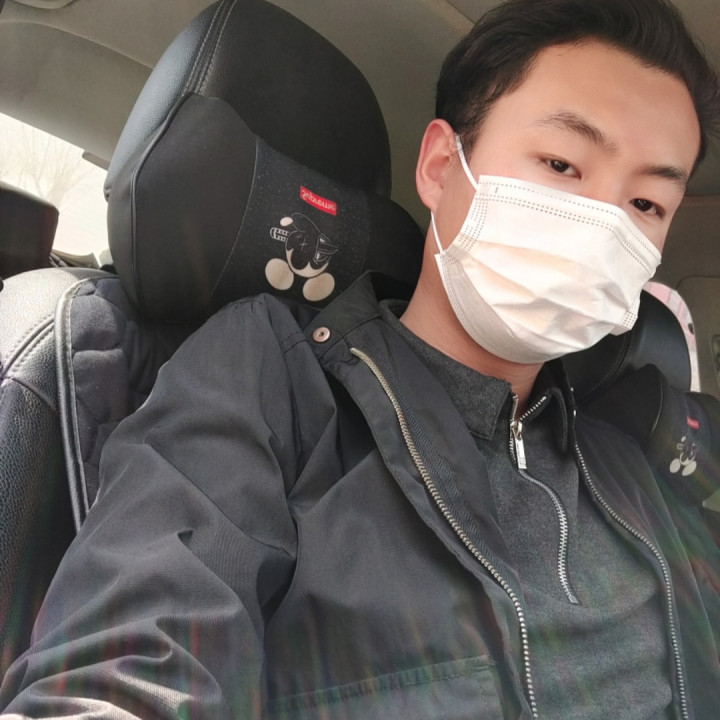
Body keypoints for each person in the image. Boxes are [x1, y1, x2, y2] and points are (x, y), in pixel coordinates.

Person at [2, 0, 720, 717]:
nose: (604, 224)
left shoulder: (625, 468)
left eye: (647, 204)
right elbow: (134, 660)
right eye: (562, 164)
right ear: (441, 167)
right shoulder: (268, 377)